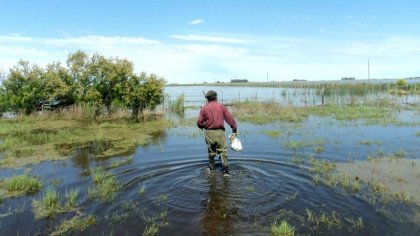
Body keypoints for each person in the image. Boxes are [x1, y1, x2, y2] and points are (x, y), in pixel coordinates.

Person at [197, 90, 238, 176]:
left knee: (211, 152)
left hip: (208, 133)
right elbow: (229, 118)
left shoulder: (204, 108)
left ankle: (212, 169)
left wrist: (203, 126)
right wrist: (234, 129)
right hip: (219, 133)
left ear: (207, 98)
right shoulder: (221, 106)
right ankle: (226, 172)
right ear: (216, 97)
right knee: (223, 152)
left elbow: (199, 122)